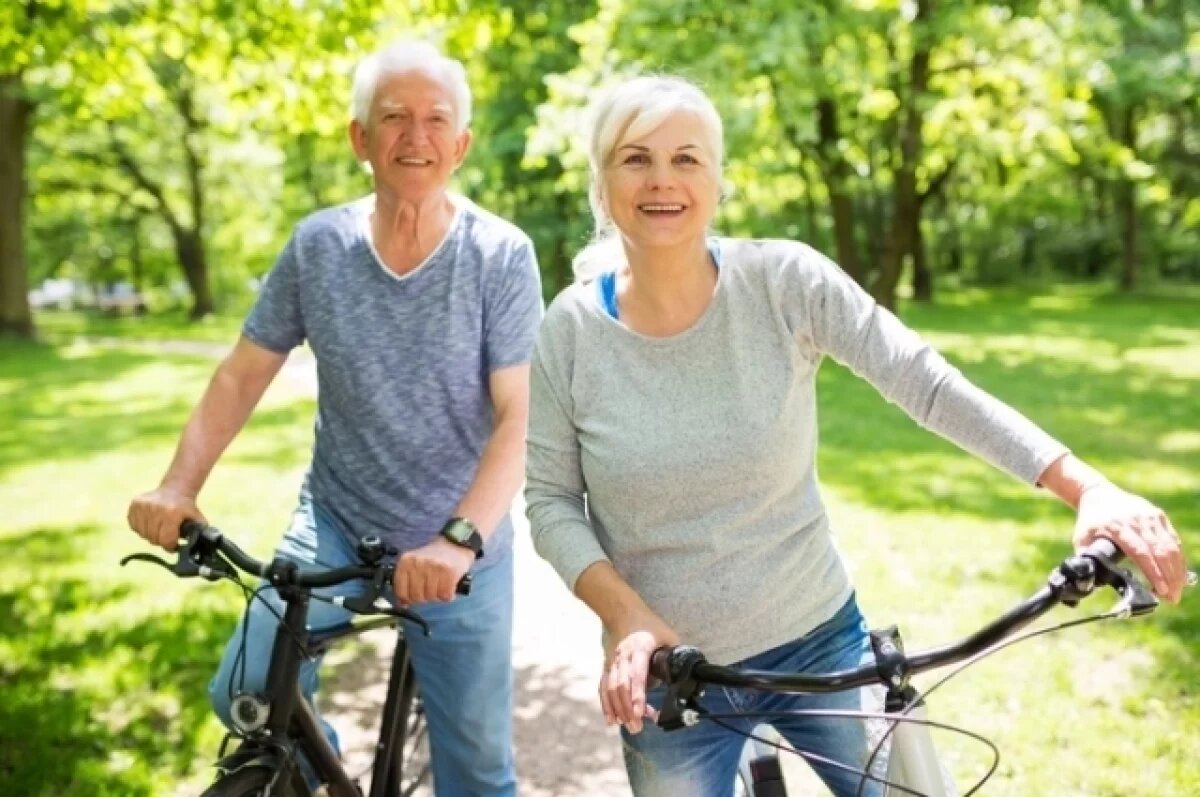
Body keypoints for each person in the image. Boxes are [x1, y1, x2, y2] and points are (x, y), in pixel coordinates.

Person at [523, 75, 1187, 797]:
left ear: (716, 179)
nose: (662, 180)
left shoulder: (784, 281)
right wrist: (630, 620)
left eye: (686, 158)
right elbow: (551, 501)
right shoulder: (571, 331)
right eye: (635, 158)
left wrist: (1083, 484)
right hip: (670, 674)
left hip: (819, 638)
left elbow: (924, 381)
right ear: (602, 178)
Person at [127, 40, 543, 796]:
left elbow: (521, 416)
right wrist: (177, 485)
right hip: (337, 519)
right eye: (392, 118)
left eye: (434, 120)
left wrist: (456, 542)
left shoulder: (499, 254)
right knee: (250, 699)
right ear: (359, 137)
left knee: (478, 771)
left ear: (461, 143)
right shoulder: (318, 246)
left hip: (460, 542)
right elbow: (241, 375)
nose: (414, 137)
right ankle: (315, 760)